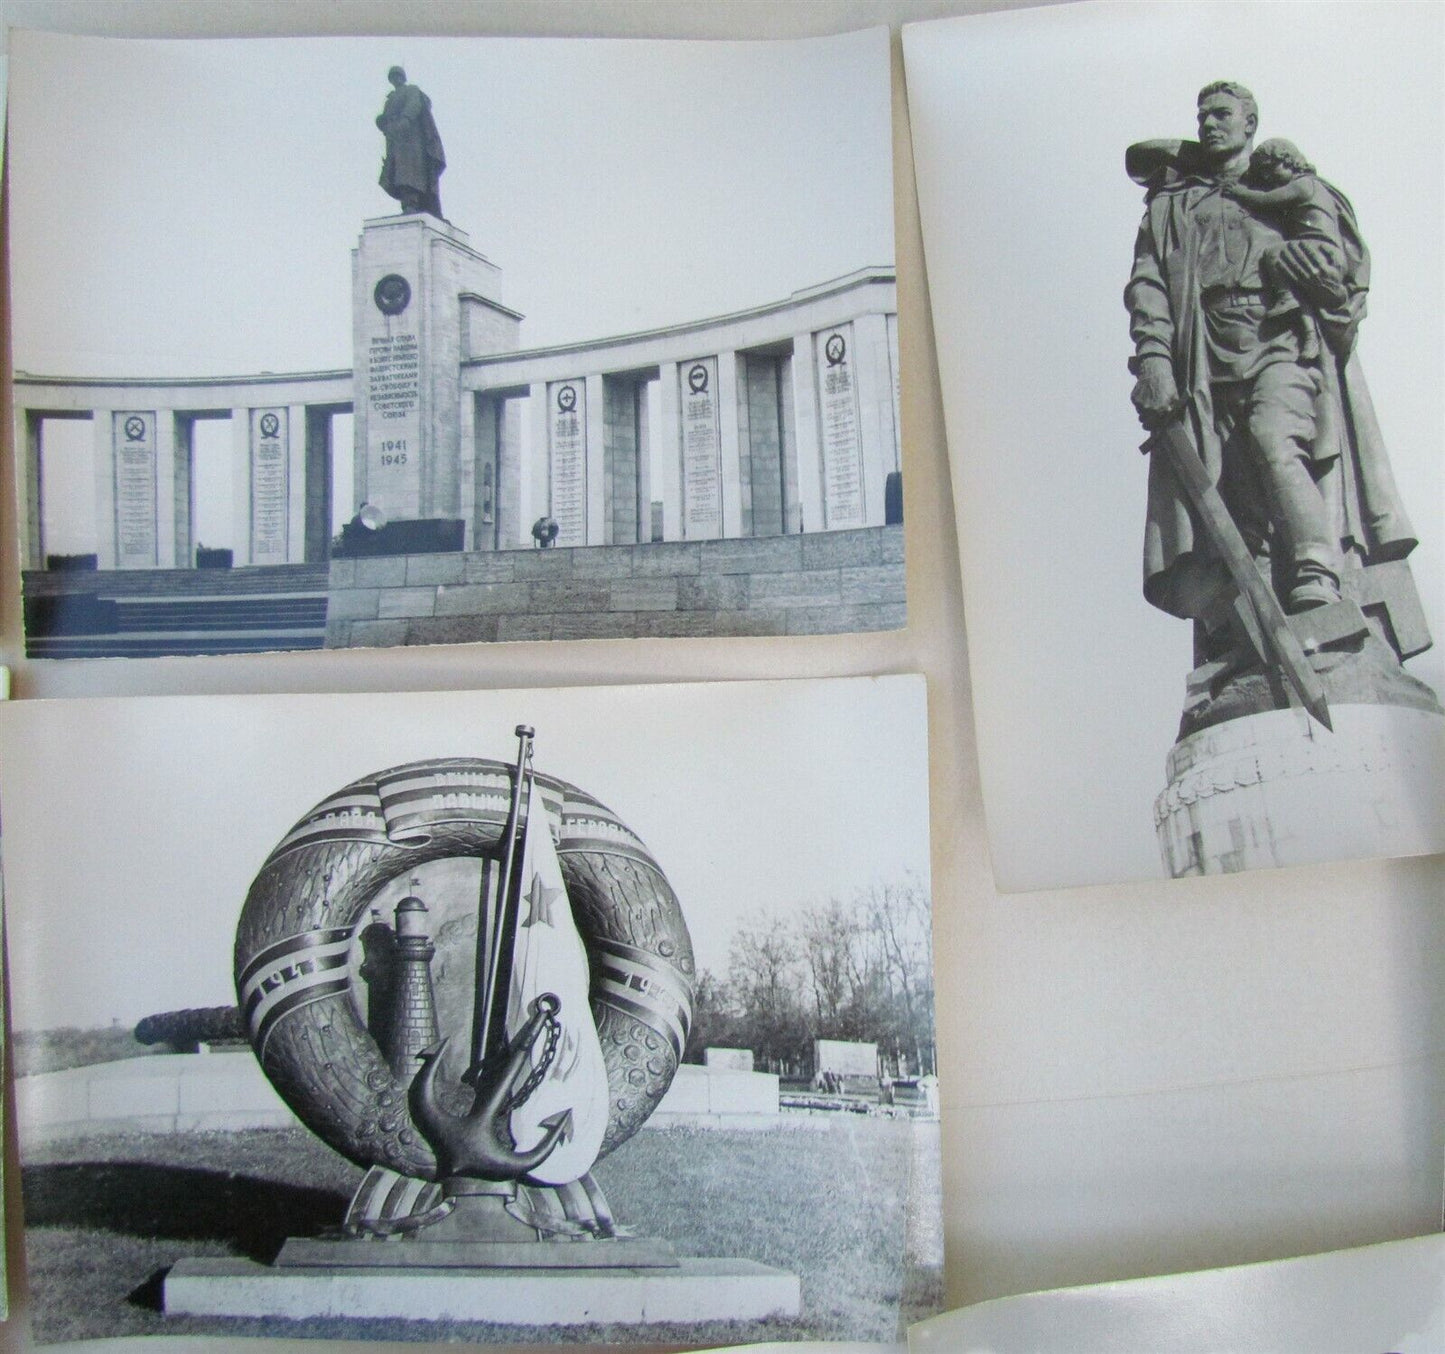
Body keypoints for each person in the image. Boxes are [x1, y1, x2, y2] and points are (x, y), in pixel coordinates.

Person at [1124, 82, 1416, 636]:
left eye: (1222, 114)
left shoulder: (1285, 186)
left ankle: (1316, 568)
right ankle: (1255, 620)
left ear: (1250, 122)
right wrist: (1155, 361)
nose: (1210, 124)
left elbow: (1341, 274)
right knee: (1231, 484)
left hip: (1280, 341)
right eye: (1202, 115)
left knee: (1273, 439)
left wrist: (1321, 278)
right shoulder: (1171, 207)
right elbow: (1149, 290)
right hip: (1203, 356)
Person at [376, 66, 445, 218]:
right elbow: (386, 118)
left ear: (403, 77)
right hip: (396, 141)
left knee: (410, 173)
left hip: (411, 142)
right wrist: (383, 122)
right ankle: (408, 204)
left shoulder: (411, 90)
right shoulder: (391, 98)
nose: (396, 79)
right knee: (398, 173)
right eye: (393, 77)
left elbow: (414, 105)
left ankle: (413, 203)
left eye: (398, 76)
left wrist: (405, 119)